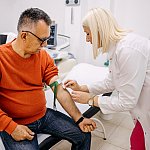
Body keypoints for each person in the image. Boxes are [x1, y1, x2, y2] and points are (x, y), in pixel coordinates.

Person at [0, 8, 96, 150]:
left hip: (43, 116)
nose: (45, 45)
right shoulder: (2, 58)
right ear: (24, 36)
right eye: (42, 40)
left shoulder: (43, 56)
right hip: (16, 122)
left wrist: (80, 118)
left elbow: (59, 89)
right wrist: (11, 127)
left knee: (83, 134)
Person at [64, 7, 150, 150]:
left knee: (138, 143)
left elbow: (126, 102)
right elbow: (112, 81)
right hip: (142, 110)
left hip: (145, 107)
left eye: (87, 33)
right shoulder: (117, 48)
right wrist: (83, 88)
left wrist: (91, 100)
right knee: (137, 141)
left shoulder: (128, 50)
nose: (87, 39)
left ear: (99, 30)